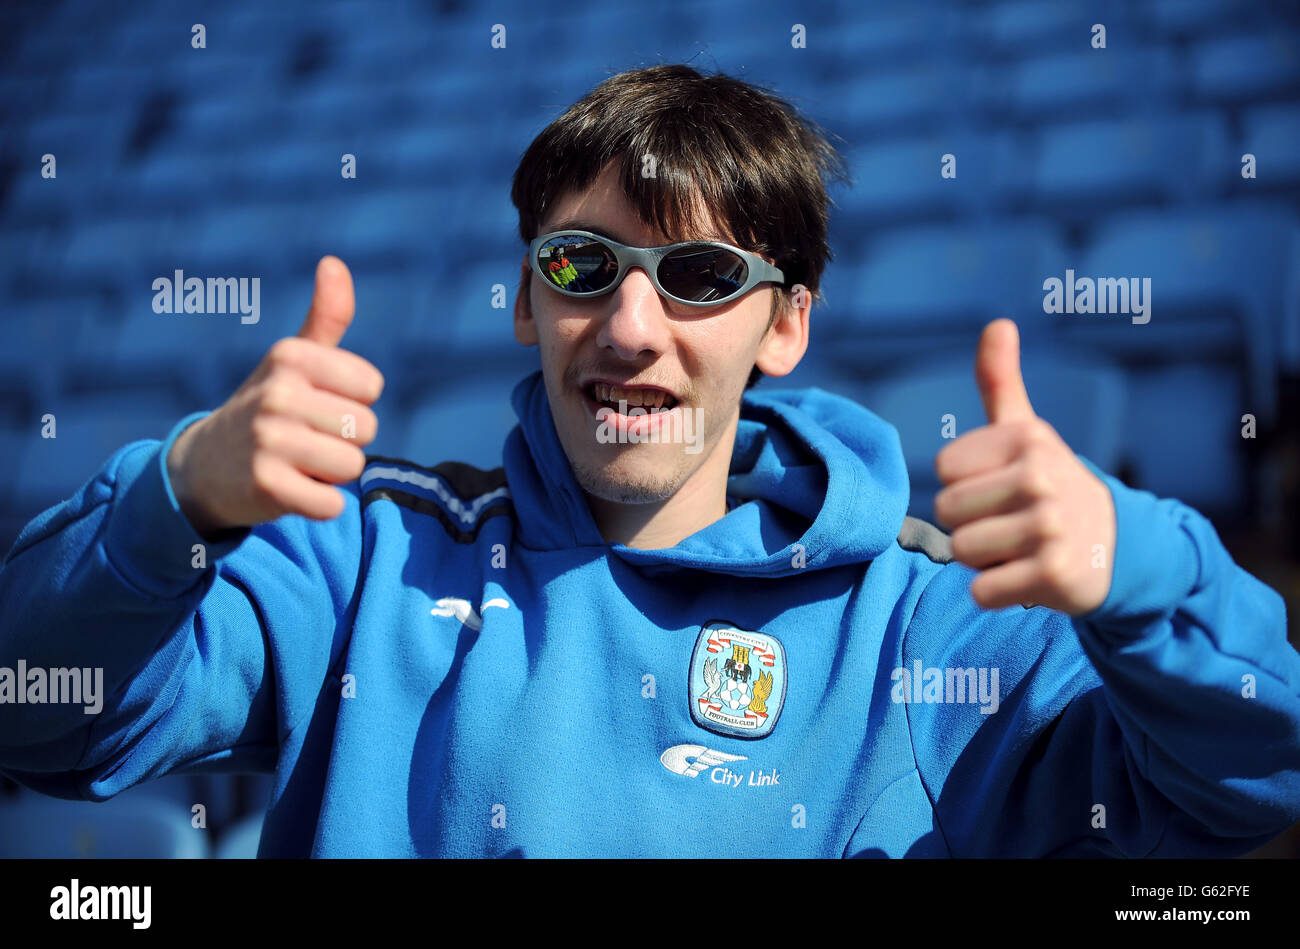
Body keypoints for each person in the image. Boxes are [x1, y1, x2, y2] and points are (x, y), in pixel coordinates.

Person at [2, 64, 1299, 858]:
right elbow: (32, 706)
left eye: (696, 276)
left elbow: (1250, 790)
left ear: (785, 322)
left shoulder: (926, 621)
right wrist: (174, 495)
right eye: (581, 265)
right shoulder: (357, 562)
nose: (628, 326)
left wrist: (1147, 574)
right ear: (524, 298)